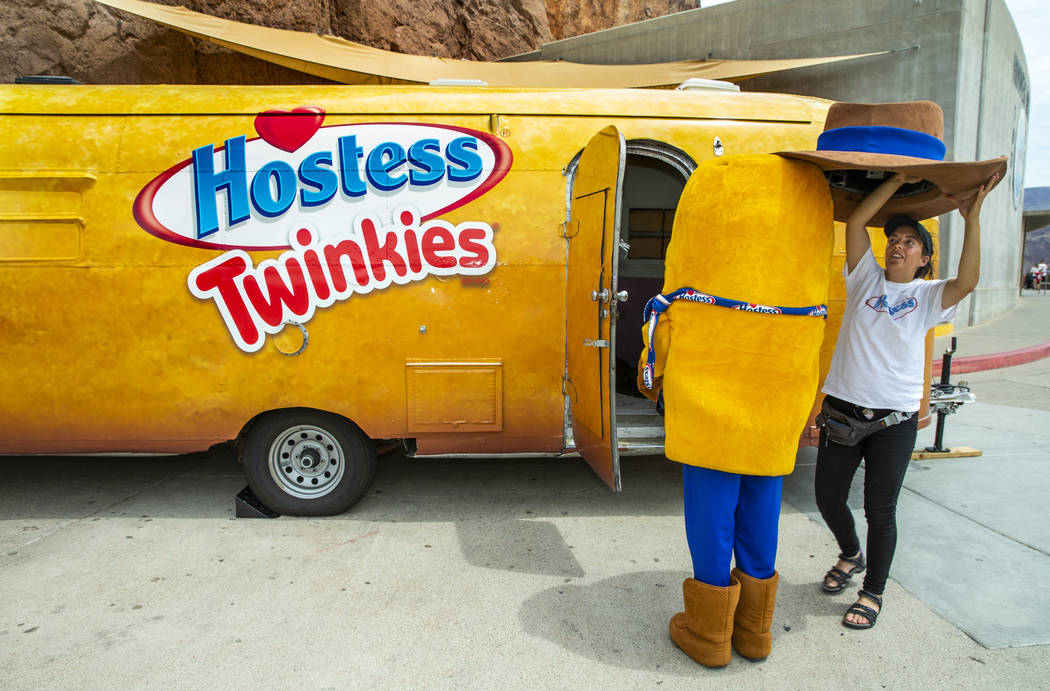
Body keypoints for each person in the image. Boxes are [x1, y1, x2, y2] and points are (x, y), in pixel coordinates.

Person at [814, 170, 998, 630]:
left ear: (923, 259)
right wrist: (897, 181)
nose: (897, 245)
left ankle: (873, 591)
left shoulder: (929, 296)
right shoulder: (864, 280)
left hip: (892, 420)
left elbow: (970, 279)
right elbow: (857, 224)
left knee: (881, 509)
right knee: (828, 498)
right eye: (893, 238)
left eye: (909, 242)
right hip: (842, 409)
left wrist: (971, 219)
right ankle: (850, 553)